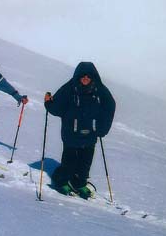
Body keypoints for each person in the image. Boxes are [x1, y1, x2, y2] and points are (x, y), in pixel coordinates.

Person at [44, 61, 115, 199]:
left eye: (88, 76)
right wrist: (48, 102)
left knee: (85, 162)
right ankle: (62, 181)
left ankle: (80, 183)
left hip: (90, 134)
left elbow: (110, 106)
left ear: (93, 77)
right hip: (71, 133)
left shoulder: (100, 90)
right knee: (69, 161)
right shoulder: (70, 88)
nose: (85, 79)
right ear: (78, 76)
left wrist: (102, 128)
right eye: (83, 76)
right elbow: (57, 107)